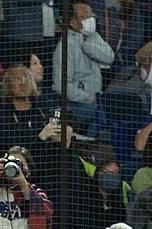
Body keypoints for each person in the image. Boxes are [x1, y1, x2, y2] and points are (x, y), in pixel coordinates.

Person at [52, 1, 114, 132]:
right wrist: (87, 98)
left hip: (96, 99)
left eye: (91, 15)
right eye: (85, 17)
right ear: (72, 22)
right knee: (102, 119)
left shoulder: (93, 36)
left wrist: (86, 43)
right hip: (76, 104)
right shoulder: (65, 46)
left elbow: (109, 57)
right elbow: (61, 85)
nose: (90, 19)